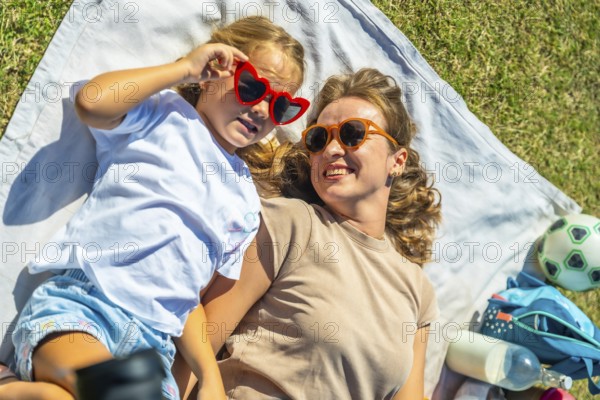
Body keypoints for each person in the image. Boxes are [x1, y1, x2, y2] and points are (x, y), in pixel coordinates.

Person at [0, 16, 307, 400]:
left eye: (280, 106)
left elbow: (187, 298)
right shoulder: (165, 114)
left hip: (154, 349)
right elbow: (92, 102)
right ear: (214, 71)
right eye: (251, 86)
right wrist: (184, 69)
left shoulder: (245, 199)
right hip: (87, 306)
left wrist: (208, 375)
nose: (262, 110)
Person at [175, 68, 442, 399]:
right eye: (318, 138)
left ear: (397, 160)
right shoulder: (292, 225)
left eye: (352, 134)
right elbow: (199, 340)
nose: (330, 150)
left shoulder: (418, 292)